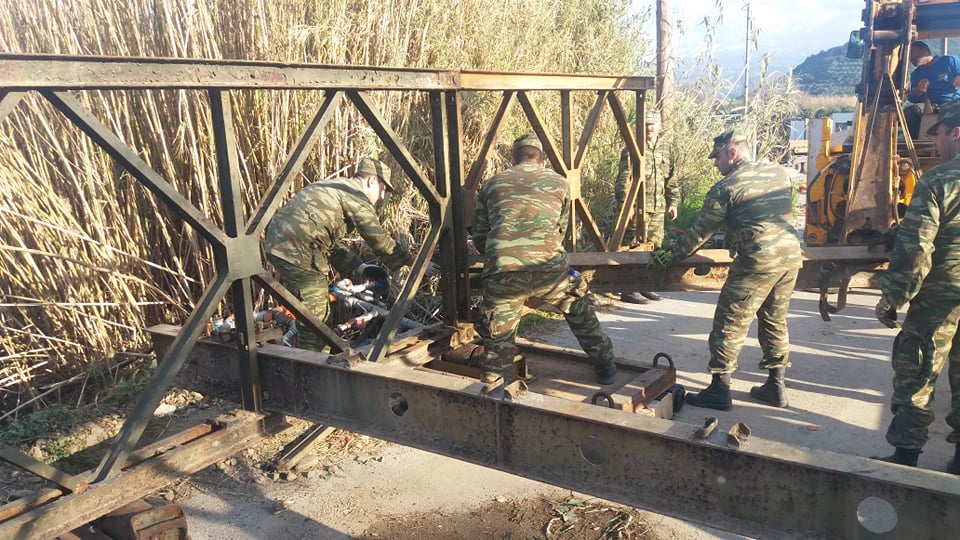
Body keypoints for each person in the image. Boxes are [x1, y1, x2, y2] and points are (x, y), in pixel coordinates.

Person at [662, 128, 802, 411]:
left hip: (757, 262)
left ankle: (719, 389)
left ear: (732, 152)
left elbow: (700, 232)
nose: (715, 164)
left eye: (718, 157)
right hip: (789, 258)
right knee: (775, 320)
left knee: (729, 323)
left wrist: (671, 254)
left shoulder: (726, 187)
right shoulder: (778, 173)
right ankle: (776, 387)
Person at [472, 134, 617, 389]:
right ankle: (604, 362)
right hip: (549, 272)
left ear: (513, 160)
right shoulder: (560, 183)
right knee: (577, 304)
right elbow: (561, 230)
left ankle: (494, 386)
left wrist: (502, 258)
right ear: (542, 161)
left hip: (504, 272)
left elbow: (481, 236)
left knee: (498, 338)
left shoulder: (492, 184)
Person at [872, 100, 960, 471]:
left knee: (918, 370)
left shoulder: (939, 180)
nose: (935, 143)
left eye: (939, 134)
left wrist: (893, 297)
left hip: (941, 294)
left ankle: (906, 456)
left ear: (957, 133)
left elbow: (916, 248)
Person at [264, 158, 417, 350]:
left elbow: (325, 241)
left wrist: (360, 267)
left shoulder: (334, 187)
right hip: (298, 251)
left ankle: (313, 355)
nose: (380, 197)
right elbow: (378, 238)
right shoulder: (355, 195)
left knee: (311, 314)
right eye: (382, 189)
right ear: (371, 181)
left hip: (280, 245)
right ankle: (314, 362)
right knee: (317, 321)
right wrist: (413, 262)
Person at [613, 110, 678, 304]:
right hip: (637, 208)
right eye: (646, 124)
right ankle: (628, 288)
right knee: (632, 248)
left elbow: (671, 179)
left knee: (654, 246)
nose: (649, 128)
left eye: (652, 124)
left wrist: (673, 202)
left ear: (659, 126)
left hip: (657, 208)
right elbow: (623, 180)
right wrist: (627, 206)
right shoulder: (632, 148)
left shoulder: (666, 149)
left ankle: (645, 285)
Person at [904, 41, 960, 139]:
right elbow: (912, 98)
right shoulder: (915, 74)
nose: (910, 57)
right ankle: (915, 144)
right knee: (910, 112)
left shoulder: (950, 61)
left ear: (924, 49)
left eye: (911, 52)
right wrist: (919, 89)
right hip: (929, 105)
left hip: (952, 102)